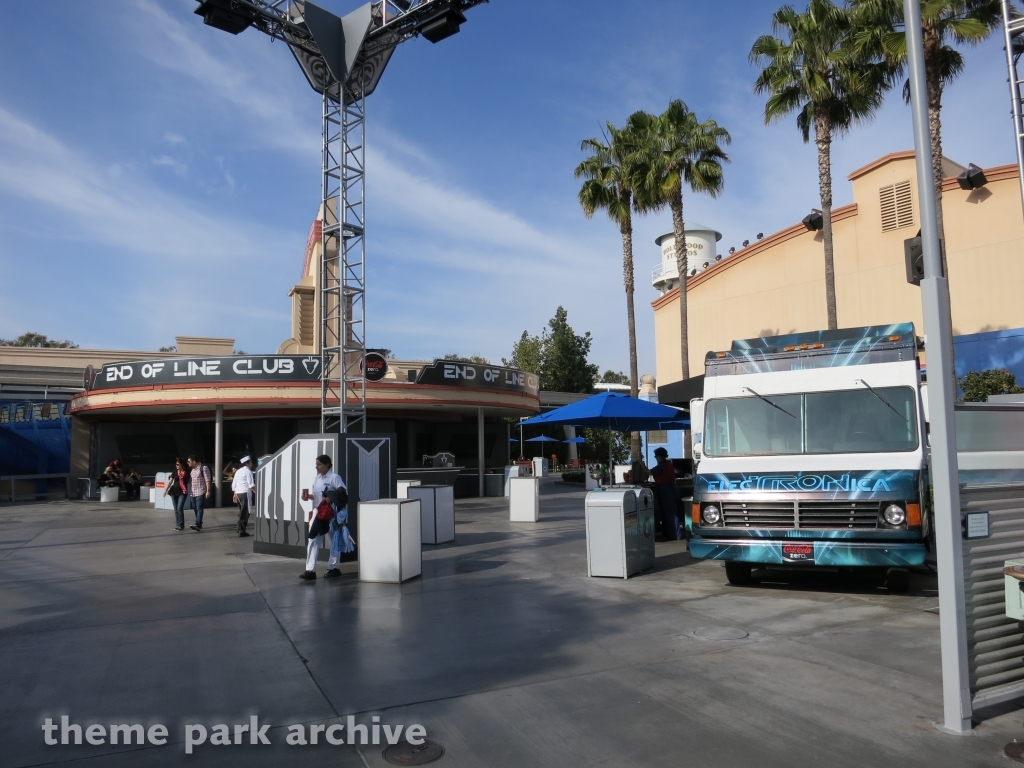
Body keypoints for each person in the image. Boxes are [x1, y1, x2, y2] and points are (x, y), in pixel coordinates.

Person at [299, 454, 346, 581]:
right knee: (313, 539)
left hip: (331, 513)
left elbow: (343, 492)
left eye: (319, 464)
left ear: (327, 465)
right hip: (317, 512)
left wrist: (331, 498)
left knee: (333, 540)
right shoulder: (317, 479)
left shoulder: (335, 478)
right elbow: (316, 496)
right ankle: (310, 569)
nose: (317, 467)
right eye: (316, 464)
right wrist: (308, 497)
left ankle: (334, 567)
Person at [649, 447, 681, 540]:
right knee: (671, 512)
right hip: (672, 488)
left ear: (659, 456)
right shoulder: (668, 464)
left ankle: (675, 534)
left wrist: (640, 464)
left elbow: (649, 472)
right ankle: (673, 532)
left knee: (670, 513)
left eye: (655, 456)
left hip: (666, 490)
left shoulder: (662, 465)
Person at [231, 455, 256, 538]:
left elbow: (234, 484)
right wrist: (257, 493)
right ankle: (241, 529)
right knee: (245, 512)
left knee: (242, 511)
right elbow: (251, 485)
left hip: (238, 493)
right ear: (247, 463)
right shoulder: (248, 471)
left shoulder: (238, 471)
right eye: (251, 462)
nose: (252, 464)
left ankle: (241, 528)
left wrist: (234, 494)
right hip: (245, 492)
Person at [186, 455, 212, 532]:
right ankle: (199, 521)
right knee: (195, 507)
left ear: (194, 461)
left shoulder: (203, 468)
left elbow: (208, 480)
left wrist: (208, 491)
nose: (188, 463)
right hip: (193, 492)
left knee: (199, 507)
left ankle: (198, 524)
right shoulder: (192, 470)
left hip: (201, 491)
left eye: (189, 461)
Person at [167, 457, 190, 531]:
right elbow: (170, 482)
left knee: (179, 508)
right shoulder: (175, 472)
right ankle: (178, 524)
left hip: (182, 492)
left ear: (182, 465)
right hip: (173, 492)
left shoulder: (187, 472)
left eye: (178, 464)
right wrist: (165, 490)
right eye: (176, 464)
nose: (176, 466)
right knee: (176, 509)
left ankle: (181, 525)